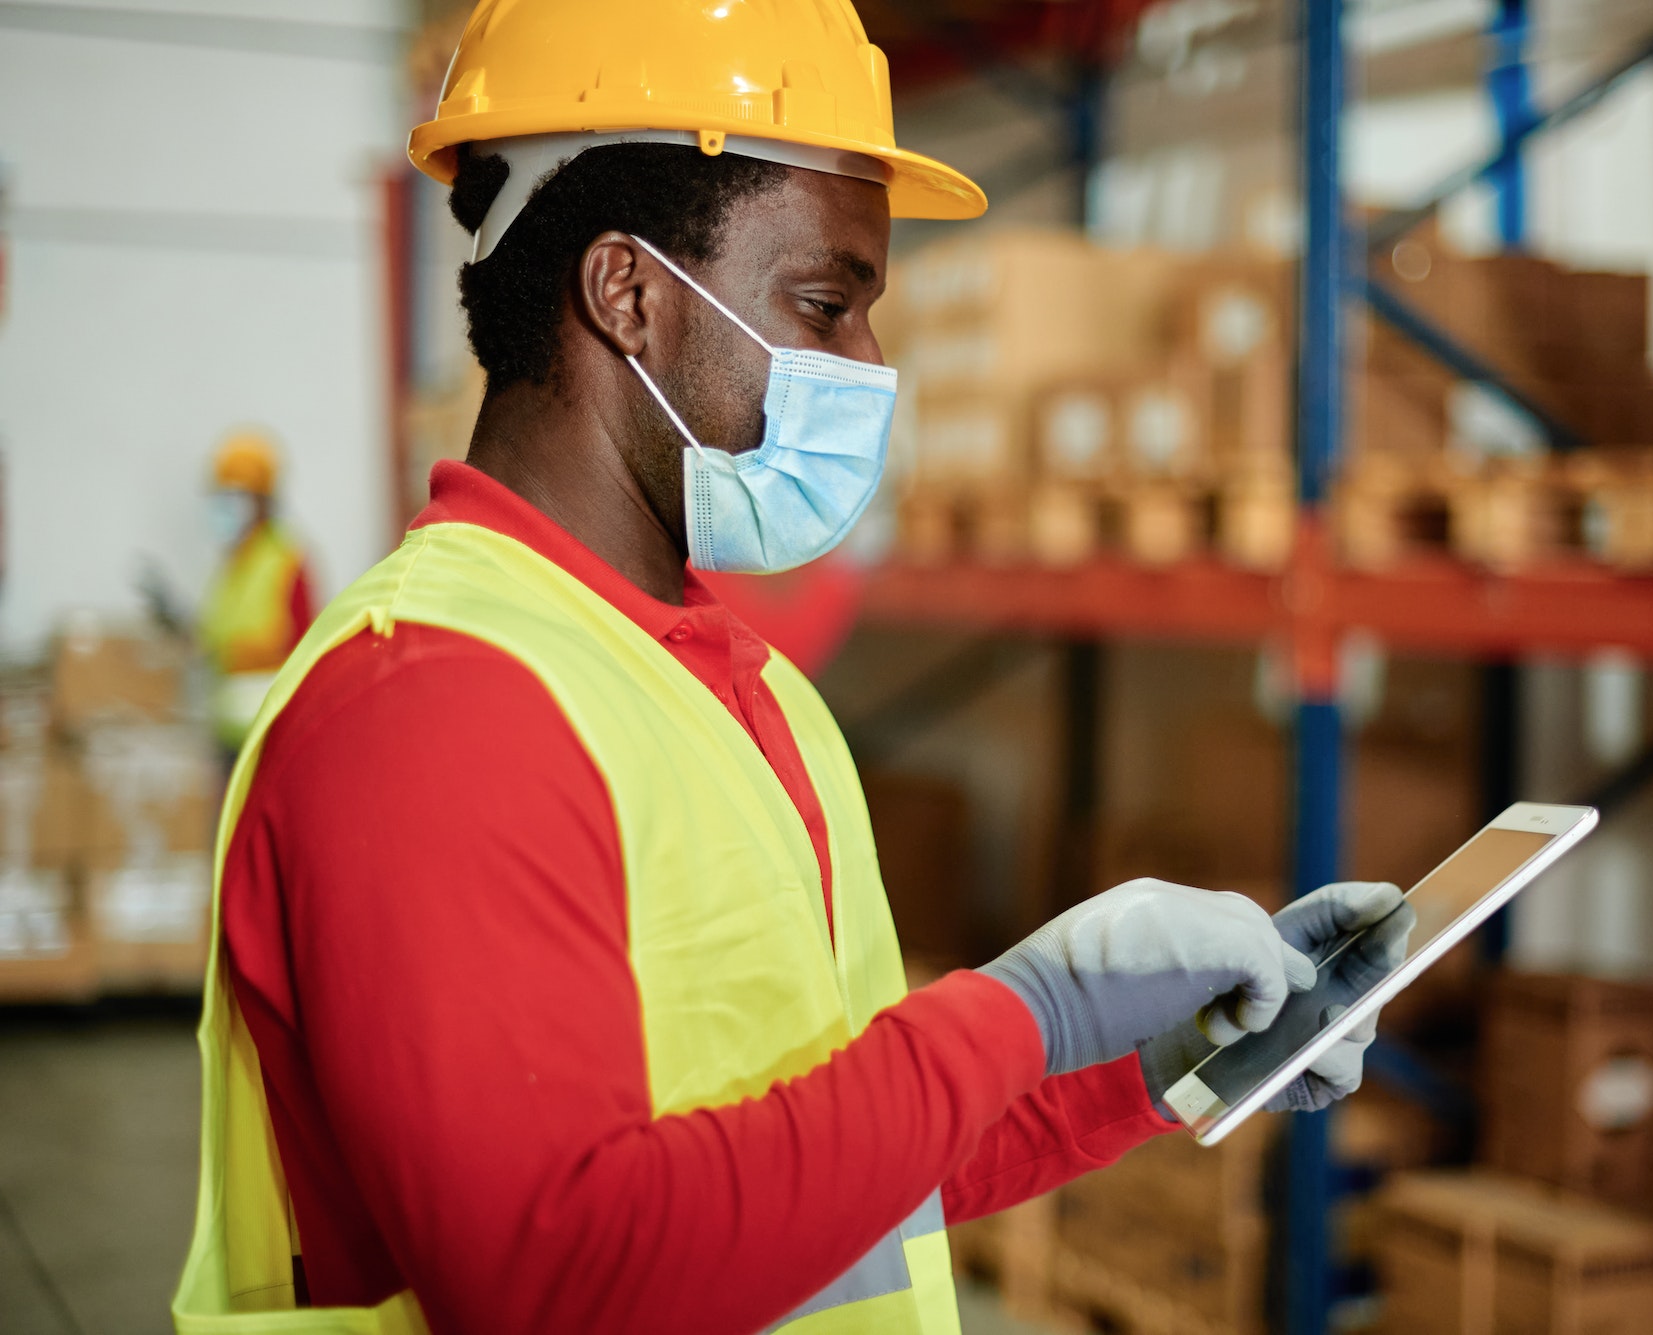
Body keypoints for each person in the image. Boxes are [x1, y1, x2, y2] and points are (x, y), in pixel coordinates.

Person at [171, 4, 1414, 1333]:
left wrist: (1151, 1051)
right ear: (628, 293)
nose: (870, 367)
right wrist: (1022, 1011)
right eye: (826, 303)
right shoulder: (431, 709)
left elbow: (832, 1158)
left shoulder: (739, 688)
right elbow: (549, 1276)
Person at [197, 430, 314, 756]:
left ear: (262, 501)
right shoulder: (230, 565)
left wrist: (236, 655)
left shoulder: (286, 559)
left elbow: (303, 648)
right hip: (228, 739)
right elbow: (213, 639)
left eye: (234, 497)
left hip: (271, 740)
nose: (223, 507)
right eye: (219, 497)